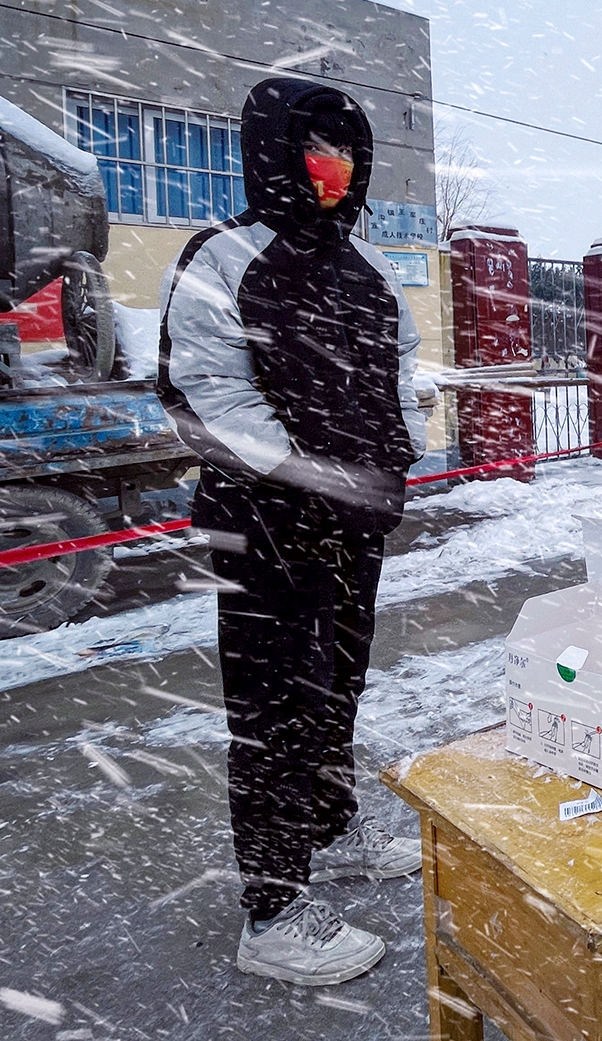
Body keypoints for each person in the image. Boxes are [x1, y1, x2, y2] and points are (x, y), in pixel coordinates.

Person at [159, 79, 425, 986]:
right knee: (273, 709)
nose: (334, 167)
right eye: (315, 147)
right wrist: (313, 480)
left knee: (337, 683)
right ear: (272, 152)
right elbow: (209, 394)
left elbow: (401, 374)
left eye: (347, 151)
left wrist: (398, 458)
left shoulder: (369, 267)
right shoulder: (223, 257)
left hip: (352, 527)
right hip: (262, 527)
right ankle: (271, 910)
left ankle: (330, 828)